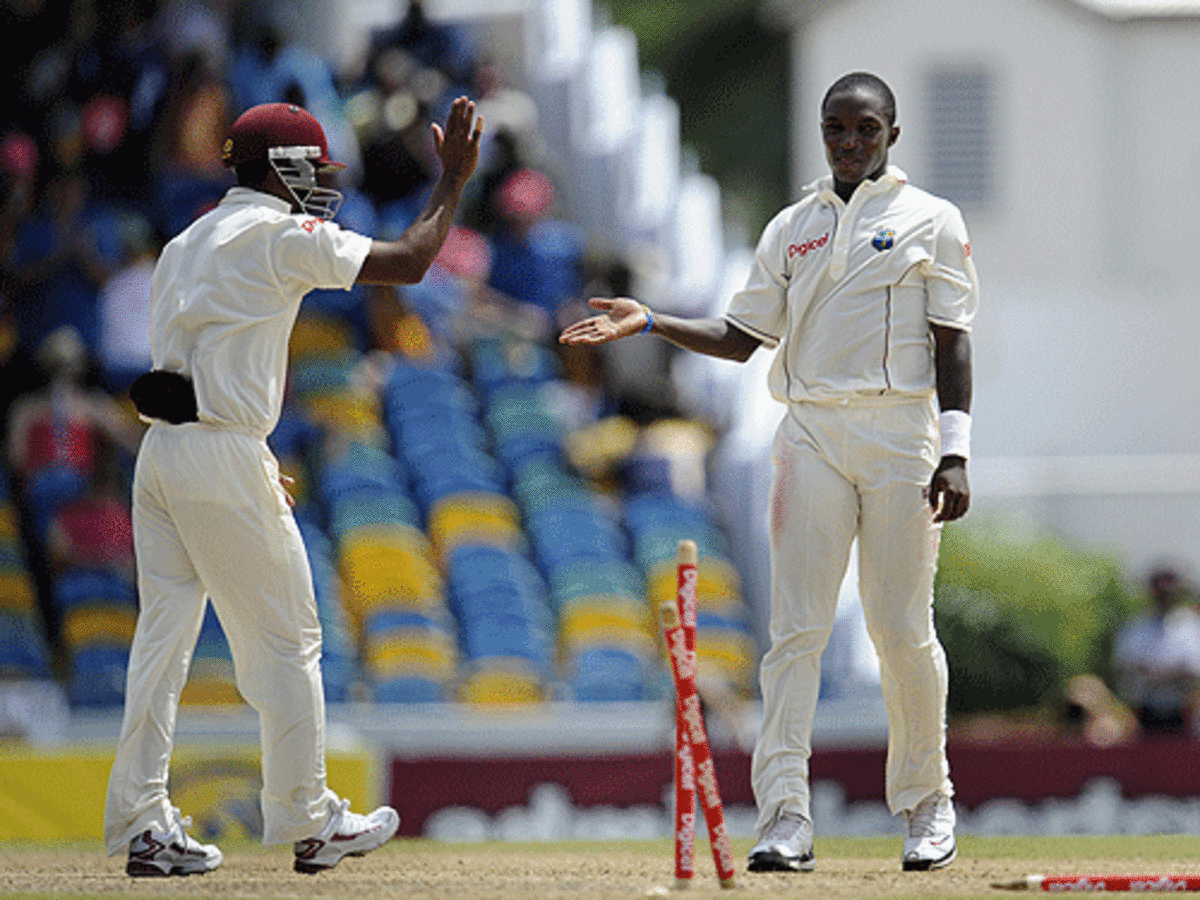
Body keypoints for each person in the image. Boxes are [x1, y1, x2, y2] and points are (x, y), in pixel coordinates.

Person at [560, 72, 976, 873]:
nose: (850, 143)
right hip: (811, 429)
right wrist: (649, 319)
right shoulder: (794, 227)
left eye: (866, 129)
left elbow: (954, 342)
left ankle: (928, 802)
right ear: (822, 133)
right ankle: (785, 814)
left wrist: (955, 451)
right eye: (836, 130)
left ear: (893, 134)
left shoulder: (934, 221)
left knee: (899, 629)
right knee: (796, 635)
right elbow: (741, 336)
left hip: (902, 435)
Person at [104, 97, 483, 876]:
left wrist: (232, 437)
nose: (321, 186)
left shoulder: (183, 242)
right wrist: (451, 183)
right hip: (221, 454)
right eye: (314, 169)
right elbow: (409, 261)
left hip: (166, 457)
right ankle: (311, 818)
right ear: (282, 169)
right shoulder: (277, 234)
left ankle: (142, 822)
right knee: (289, 642)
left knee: (162, 644)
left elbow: (188, 364)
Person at [1112, 567, 1200, 738]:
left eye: (1169, 591)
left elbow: (1193, 671)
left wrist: (1158, 673)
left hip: (1184, 711)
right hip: (1143, 710)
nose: (1164, 596)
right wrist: (1166, 673)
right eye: (1160, 591)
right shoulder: (1135, 627)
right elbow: (1124, 666)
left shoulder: (1191, 627)